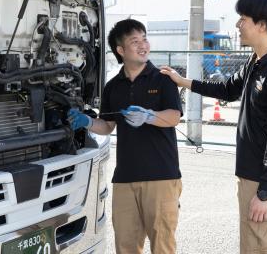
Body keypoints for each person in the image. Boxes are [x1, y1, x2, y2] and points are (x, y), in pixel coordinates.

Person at [161, 0, 267, 254]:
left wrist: (265, 193)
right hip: (253, 174)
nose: (238, 25)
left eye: (243, 18)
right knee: (255, 245)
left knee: (261, 248)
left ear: (261, 25)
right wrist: (183, 82)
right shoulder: (257, 61)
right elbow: (227, 89)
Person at [68, 19, 183, 254]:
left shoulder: (163, 78)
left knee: (163, 245)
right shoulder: (113, 86)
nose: (143, 45)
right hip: (125, 178)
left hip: (161, 176)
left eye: (144, 39)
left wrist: (149, 116)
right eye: (135, 41)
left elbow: (174, 117)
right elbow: (108, 125)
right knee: (125, 245)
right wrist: (87, 122)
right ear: (120, 50)